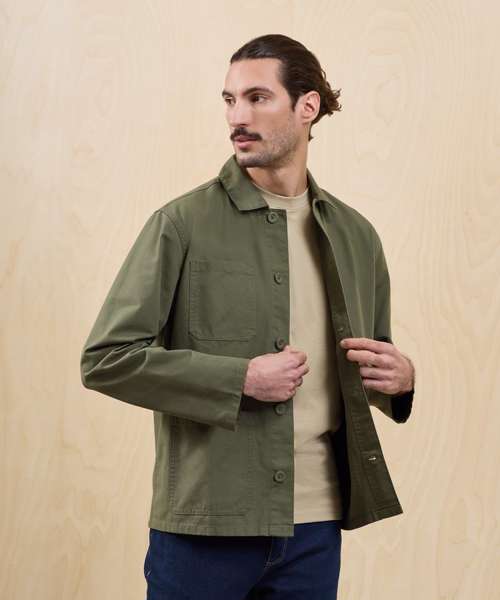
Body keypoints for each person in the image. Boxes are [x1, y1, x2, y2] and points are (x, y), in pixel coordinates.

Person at [80, 33, 415, 600]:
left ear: (307, 107)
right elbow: (106, 360)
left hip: (316, 528)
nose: (238, 116)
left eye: (258, 98)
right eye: (230, 100)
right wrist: (239, 379)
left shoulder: (356, 236)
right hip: (206, 526)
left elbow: (366, 373)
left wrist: (401, 380)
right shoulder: (181, 224)